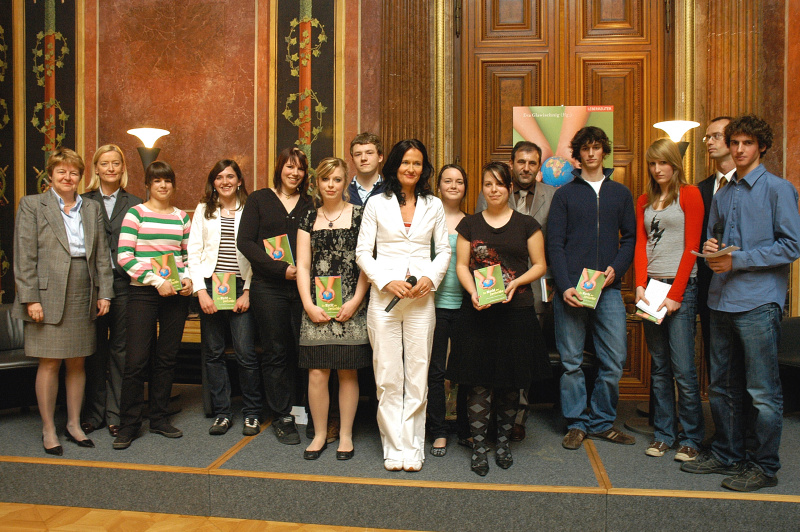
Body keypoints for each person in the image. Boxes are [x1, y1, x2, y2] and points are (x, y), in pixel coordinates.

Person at [681, 115, 800, 492]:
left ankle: (764, 466)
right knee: (721, 386)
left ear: (761, 147)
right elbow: (716, 242)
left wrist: (739, 258)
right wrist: (714, 249)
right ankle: (727, 454)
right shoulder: (722, 193)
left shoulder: (779, 190)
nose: (739, 149)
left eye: (747, 143)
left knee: (762, 392)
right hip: (721, 299)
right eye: (734, 143)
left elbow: (791, 246)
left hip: (758, 303)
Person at [447, 161, 548, 476]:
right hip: (478, 312)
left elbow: (540, 265)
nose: (493, 190)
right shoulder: (470, 224)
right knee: (478, 382)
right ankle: (479, 446)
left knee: (508, 384)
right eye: (488, 184)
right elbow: (462, 266)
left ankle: (502, 442)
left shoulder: (527, 224)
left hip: (516, 312)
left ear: (510, 188)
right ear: (483, 188)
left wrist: (517, 282)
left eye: (500, 184)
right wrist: (473, 291)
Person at [355, 139, 450, 472]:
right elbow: (363, 252)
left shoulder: (434, 205)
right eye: (406, 162)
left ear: (424, 168)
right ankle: (393, 446)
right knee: (388, 376)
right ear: (395, 164)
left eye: (418, 163)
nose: (412, 168)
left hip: (422, 301)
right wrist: (384, 280)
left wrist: (431, 277)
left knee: (418, 373)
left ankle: (413, 446)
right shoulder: (376, 204)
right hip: (384, 301)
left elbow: (445, 252)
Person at [13, 148, 113, 455]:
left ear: (81, 176)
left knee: (78, 361)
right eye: (61, 172)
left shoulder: (91, 208)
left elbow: (101, 254)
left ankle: (73, 424)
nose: (67, 177)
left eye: (73, 173)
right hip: (47, 294)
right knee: (49, 362)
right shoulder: (33, 205)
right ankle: (48, 429)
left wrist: (105, 292)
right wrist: (30, 298)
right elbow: (25, 254)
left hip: (84, 289)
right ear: (50, 175)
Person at [547, 126, 637, 450]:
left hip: (608, 290)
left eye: (597, 147)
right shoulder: (564, 194)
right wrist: (565, 284)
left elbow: (630, 238)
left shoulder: (620, 194)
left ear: (604, 151)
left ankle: (601, 422)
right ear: (578, 154)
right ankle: (576, 423)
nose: (591, 153)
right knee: (571, 362)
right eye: (585, 148)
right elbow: (554, 244)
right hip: (571, 290)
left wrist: (618, 268)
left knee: (613, 361)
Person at [475, 140, 556, 442]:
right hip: (492, 287)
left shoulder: (553, 196)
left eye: (532, 163)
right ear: (512, 165)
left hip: (534, 288)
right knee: (495, 351)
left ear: (539, 167)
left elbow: (554, 243)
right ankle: (492, 413)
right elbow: (478, 242)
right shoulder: (491, 192)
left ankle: (518, 416)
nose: (526, 167)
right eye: (521, 162)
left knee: (521, 356)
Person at [113, 161, 193, 450]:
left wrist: (186, 281)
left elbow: (185, 257)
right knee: (136, 360)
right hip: (143, 294)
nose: (163, 185)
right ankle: (128, 424)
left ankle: (159, 418)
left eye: (167, 181)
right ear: (147, 184)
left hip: (175, 295)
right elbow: (124, 256)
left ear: (173, 184)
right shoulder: (136, 214)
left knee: (167, 357)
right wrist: (154, 280)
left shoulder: (182, 218)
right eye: (157, 181)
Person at [634, 139, 704, 461]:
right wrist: (639, 287)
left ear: (675, 163)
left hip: (681, 289)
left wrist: (676, 294)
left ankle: (691, 438)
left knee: (683, 369)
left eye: (663, 163)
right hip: (651, 289)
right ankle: (664, 434)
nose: (658, 169)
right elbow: (640, 245)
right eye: (652, 163)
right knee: (659, 368)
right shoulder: (644, 200)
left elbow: (692, 247)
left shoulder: (690, 194)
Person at [296, 157, 370, 460]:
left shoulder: (360, 215)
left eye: (337, 179)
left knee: (348, 372)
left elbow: (367, 262)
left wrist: (355, 302)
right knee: (317, 373)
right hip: (316, 307)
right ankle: (320, 434)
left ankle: (346, 435)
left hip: (351, 306)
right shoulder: (307, 218)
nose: (331, 185)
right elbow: (302, 265)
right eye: (325, 179)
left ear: (345, 183)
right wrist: (309, 305)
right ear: (317, 183)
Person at [238, 147, 312, 445]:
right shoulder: (259, 199)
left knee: (304, 350)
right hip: (268, 288)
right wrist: (280, 270)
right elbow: (245, 242)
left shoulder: (310, 205)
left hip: (304, 289)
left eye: (300, 169)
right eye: (289, 167)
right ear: (280, 168)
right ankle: (282, 415)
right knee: (275, 351)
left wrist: (302, 274)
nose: (294, 173)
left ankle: (306, 410)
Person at [188, 160, 262, 436]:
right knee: (214, 353)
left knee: (245, 353)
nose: (225, 181)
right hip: (210, 285)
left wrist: (248, 291)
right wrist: (201, 291)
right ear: (213, 182)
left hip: (242, 285)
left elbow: (257, 251)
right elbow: (193, 252)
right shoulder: (203, 209)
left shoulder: (251, 207)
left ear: (240, 180)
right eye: (219, 177)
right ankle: (222, 413)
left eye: (230, 176)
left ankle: (252, 412)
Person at [81, 144, 142, 439]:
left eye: (116, 163)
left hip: (125, 285)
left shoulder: (136, 203)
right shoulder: (81, 202)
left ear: (122, 168)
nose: (110, 168)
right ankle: (94, 413)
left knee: (121, 351)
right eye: (104, 164)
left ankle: (116, 413)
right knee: (94, 351)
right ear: (95, 168)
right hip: (91, 287)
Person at [427, 164, 468, 457]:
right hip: (433, 306)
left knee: (465, 370)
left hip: (467, 307)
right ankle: (438, 430)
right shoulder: (427, 221)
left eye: (459, 181)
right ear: (438, 186)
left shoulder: (473, 223)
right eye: (448, 181)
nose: (453, 186)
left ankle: (466, 427)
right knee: (436, 371)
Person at [696, 116, 735, 377]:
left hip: (747, 286)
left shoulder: (752, 186)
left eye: (716, 136)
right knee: (718, 371)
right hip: (709, 289)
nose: (709, 142)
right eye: (707, 137)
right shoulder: (699, 190)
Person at [347, 132, 385, 206]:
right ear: (353, 160)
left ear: (380, 157)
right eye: (358, 154)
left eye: (369, 153)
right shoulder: (343, 194)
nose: (363, 158)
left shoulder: (390, 192)